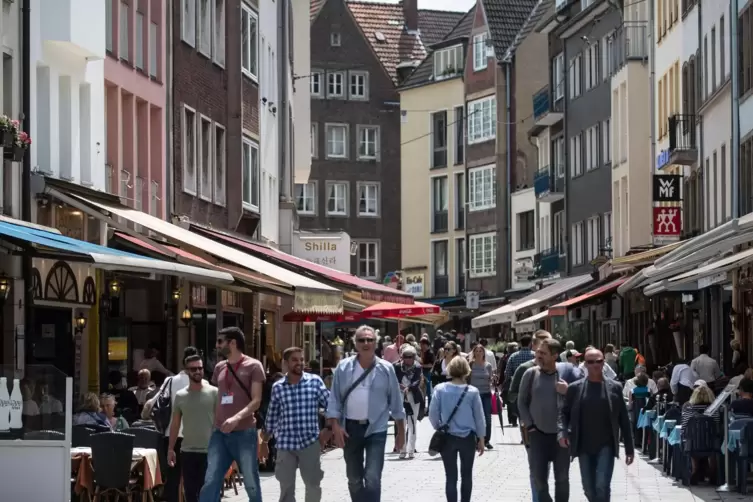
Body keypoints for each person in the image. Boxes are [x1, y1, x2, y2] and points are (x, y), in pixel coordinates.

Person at [326, 325, 405, 502]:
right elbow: (334, 399)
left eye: (370, 339)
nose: (366, 343)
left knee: (372, 477)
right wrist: (335, 426)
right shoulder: (344, 367)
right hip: (350, 429)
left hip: (376, 428)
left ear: (376, 343)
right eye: (362, 340)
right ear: (355, 344)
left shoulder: (386, 368)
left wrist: (401, 432)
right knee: (354, 479)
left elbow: (396, 402)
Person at [559, 348, 634, 502]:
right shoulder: (575, 388)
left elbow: (624, 420)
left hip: (606, 445)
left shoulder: (615, 387)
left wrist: (629, 448)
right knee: (588, 487)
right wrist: (563, 433)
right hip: (583, 446)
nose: (595, 365)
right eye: (591, 362)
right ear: (585, 364)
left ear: (603, 363)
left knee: (602, 485)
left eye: (598, 361)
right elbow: (563, 414)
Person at [262, 347, 329, 502]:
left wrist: (328, 428)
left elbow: (330, 405)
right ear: (285, 363)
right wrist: (264, 441)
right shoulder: (278, 387)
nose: (299, 363)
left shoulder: (314, 382)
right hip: (285, 444)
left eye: (301, 359)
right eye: (294, 360)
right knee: (286, 488)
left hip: (310, 442)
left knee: (313, 485)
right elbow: (272, 416)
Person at [517, 338, 572, 502]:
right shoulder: (531, 374)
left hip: (561, 437)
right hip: (537, 435)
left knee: (562, 479)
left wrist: (568, 391)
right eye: (538, 352)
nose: (538, 355)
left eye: (543, 353)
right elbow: (521, 402)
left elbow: (578, 402)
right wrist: (530, 425)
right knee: (539, 480)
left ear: (555, 356)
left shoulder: (565, 376)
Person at [429, 356, 485, 502]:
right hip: (467, 438)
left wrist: (439, 427)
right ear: (466, 370)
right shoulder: (472, 391)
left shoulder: (440, 389)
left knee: (450, 476)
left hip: (447, 437)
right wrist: (481, 438)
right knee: (466, 475)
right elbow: (479, 417)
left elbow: (432, 413)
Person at [144, 346, 194, 502]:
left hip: (171, 435)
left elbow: (150, 405)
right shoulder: (202, 383)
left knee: (173, 478)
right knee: (194, 476)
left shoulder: (170, 381)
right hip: (195, 437)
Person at [168, 352, 217, 502]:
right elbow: (175, 424)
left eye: (200, 368)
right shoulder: (180, 396)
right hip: (187, 451)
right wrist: (171, 449)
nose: (197, 371)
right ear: (187, 371)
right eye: (193, 369)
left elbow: (221, 422)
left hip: (209, 451)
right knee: (190, 494)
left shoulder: (214, 392)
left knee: (209, 493)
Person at [681, 384, 720, 484]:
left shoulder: (688, 410)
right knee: (713, 441)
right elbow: (717, 428)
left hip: (693, 444)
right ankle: (713, 471)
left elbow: (684, 428)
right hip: (710, 443)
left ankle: (695, 468)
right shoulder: (714, 411)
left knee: (691, 440)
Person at [393, 344, 423, 459]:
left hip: (413, 397)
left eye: (410, 356)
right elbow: (393, 379)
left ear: (414, 357)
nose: (408, 359)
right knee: (401, 424)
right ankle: (402, 449)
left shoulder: (418, 367)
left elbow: (417, 381)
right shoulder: (396, 366)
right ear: (402, 356)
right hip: (400, 397)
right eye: (406, 356)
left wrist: (408, 388)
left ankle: (411, 449)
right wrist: (399, 386)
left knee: (412, 424)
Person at [469, 343, 494, 449]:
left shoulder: (488, 365)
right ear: (474, 352)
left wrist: (492, 380)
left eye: (480, 351)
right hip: (474, 395)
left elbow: (491, 379)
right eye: (477, 351)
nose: (478, 353)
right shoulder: (470, 364)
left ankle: (486, 440)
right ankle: (476, 440)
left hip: (486, 394)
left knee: (487, 418)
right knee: (475, 417)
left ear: (484, 353)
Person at [419, 337, 435, 405]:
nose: (421, 346)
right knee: (423, 391)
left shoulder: (430, 353)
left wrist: (422, 365)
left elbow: (431, 365)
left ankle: (429, 406)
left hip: (428, 373)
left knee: (429, 392)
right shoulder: (423, 352)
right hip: (423, 373)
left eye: (422, 344)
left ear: (426, 344)